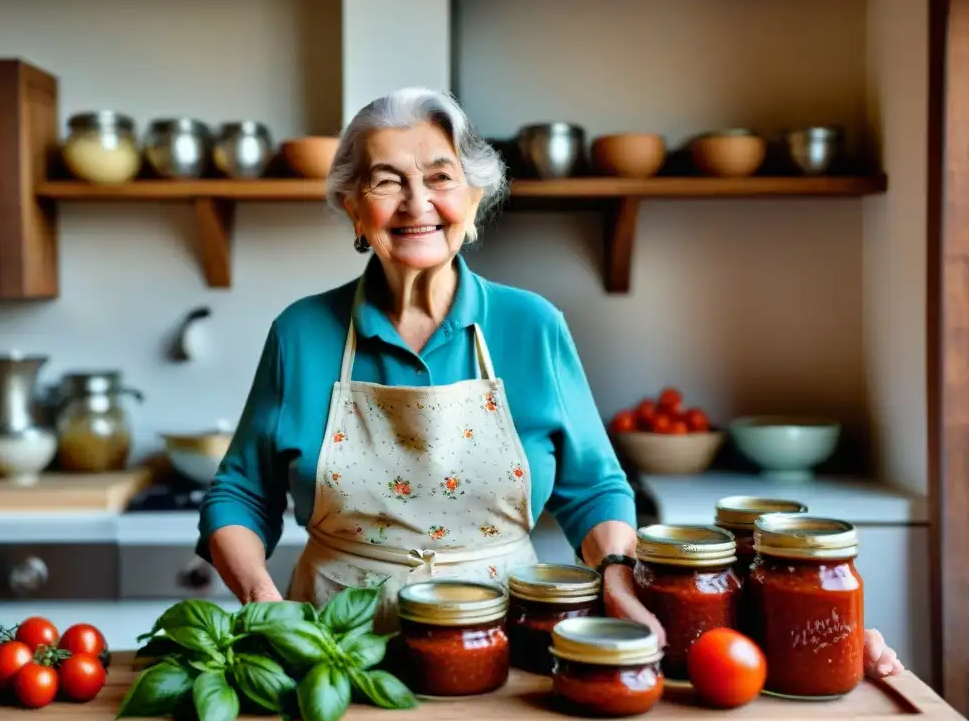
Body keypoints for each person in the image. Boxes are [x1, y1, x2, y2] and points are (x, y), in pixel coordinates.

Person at [195, 86, 902, 680]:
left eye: (440, 177)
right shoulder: (301, 333)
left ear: (474, 200)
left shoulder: (531, 326)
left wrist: (619, 585)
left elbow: (593, 486)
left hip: (509, 640)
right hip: (331, 650)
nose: (417, 203)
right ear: (354, 209)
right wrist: (265, 602)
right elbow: (240, 493)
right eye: (386, 181)